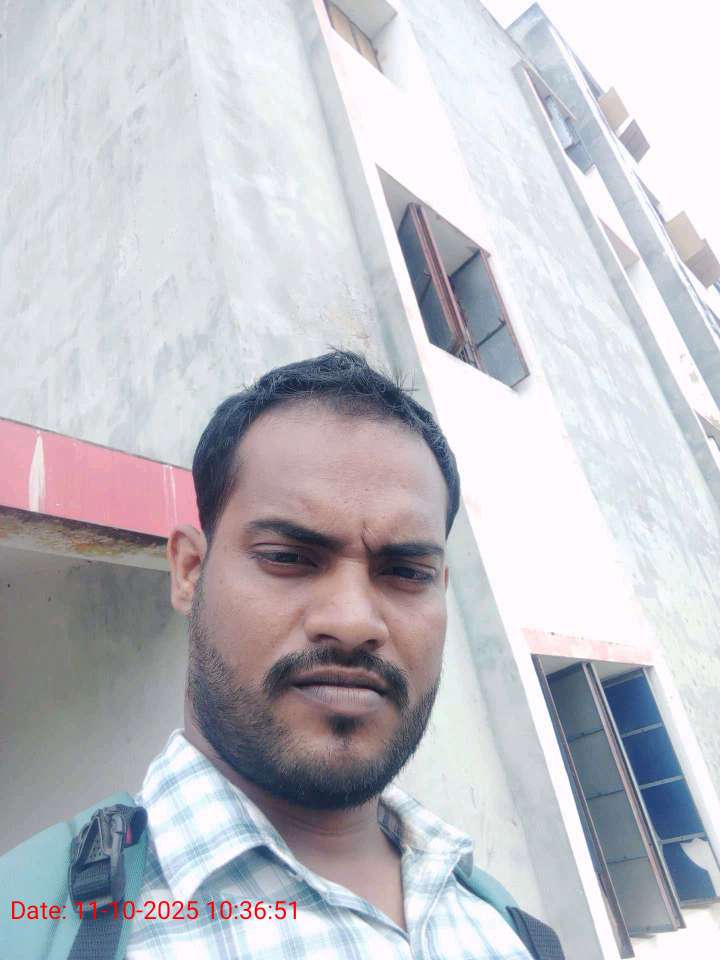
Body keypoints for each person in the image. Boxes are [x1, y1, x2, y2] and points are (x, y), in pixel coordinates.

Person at [3, 350, 555, 959]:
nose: (353, 622)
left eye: (405, 572)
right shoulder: (30, 923)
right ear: (189, 571)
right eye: (287, 557)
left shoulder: (511, 930)